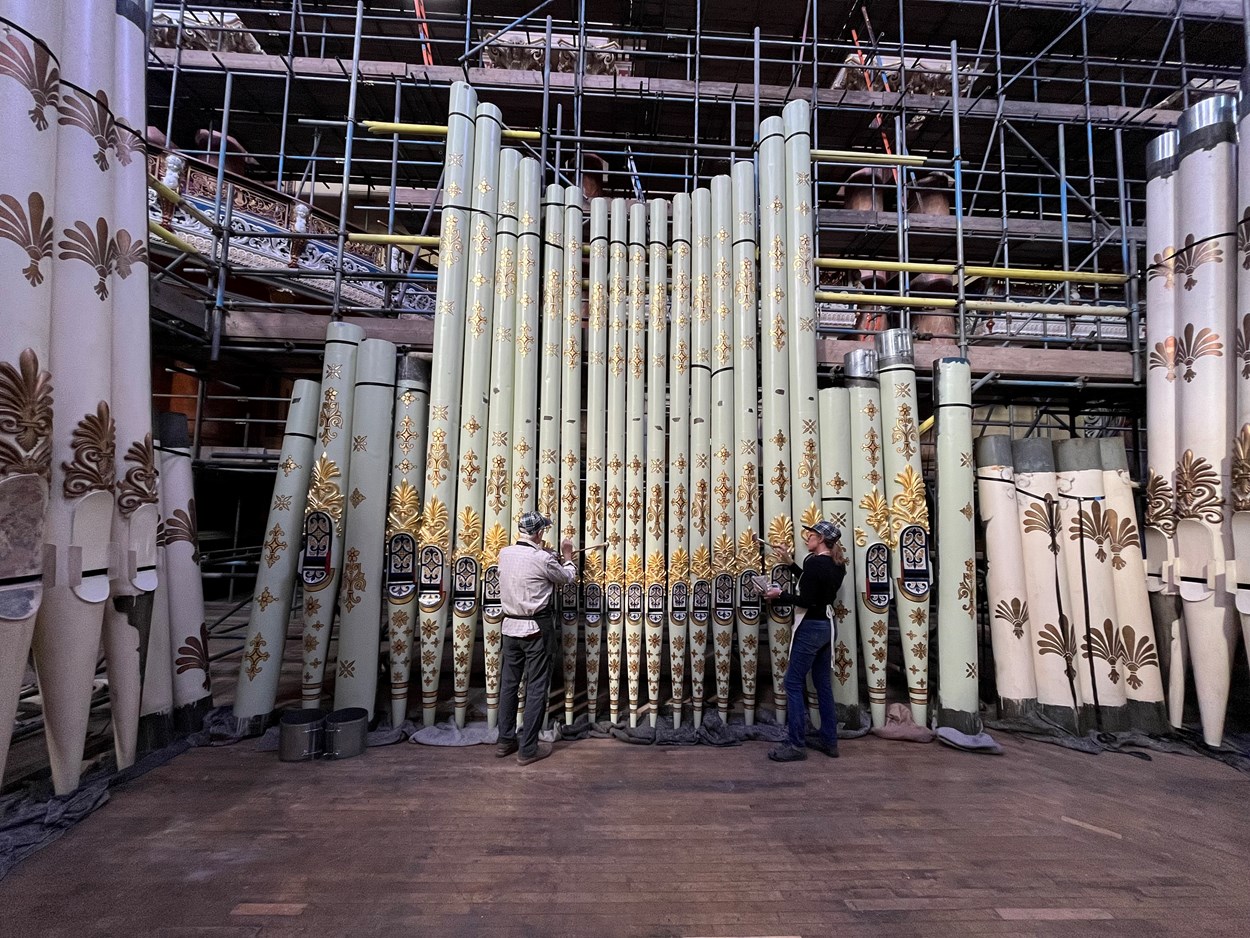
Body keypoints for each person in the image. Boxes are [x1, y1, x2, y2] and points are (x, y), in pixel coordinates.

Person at [496, 511, 576, 765]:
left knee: (509, 686)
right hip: (535, 630)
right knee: (536, 688)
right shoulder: (542, 558)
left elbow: (526, 569)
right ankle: (528, 748)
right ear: (539, 533)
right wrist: (567, 557)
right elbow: (566, 578)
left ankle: (505, 740)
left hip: (509, 627)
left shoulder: (504, 553)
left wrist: (548, 557)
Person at [763, 520, 847, 762]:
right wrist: (790, 563)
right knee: (822, 684)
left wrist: (779, 595)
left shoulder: (815, 564)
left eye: (811, 534)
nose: (807, 536)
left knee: (792, 683)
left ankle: (796, 744)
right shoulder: (836, 564)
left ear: (821, 539)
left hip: (810, 627)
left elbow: (807, 599)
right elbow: (813, 586)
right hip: (827, 626)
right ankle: (829, 741)